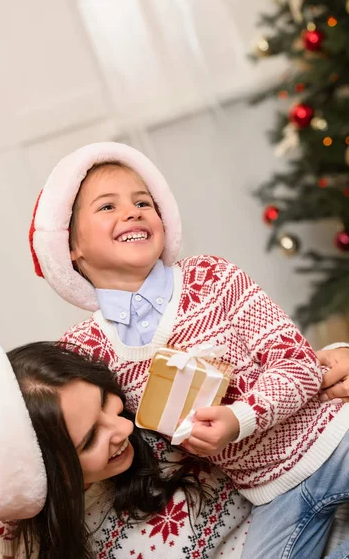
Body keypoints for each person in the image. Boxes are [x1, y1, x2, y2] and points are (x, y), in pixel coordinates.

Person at [29, 142, 349, 558]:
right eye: (107, 207)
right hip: (271, 494)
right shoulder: (87, 349)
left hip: (332, 438)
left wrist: (239, 418)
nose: (132, 211)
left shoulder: (213, 277)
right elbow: (31, 414)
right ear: (70, 246)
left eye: (143, 201)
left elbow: (300, 362)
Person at [0, 341, 251, 559]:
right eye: (91, 438)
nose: (124, 429)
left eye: (106, 400)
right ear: (52, 477)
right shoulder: (30, 544)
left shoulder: (157, 415)